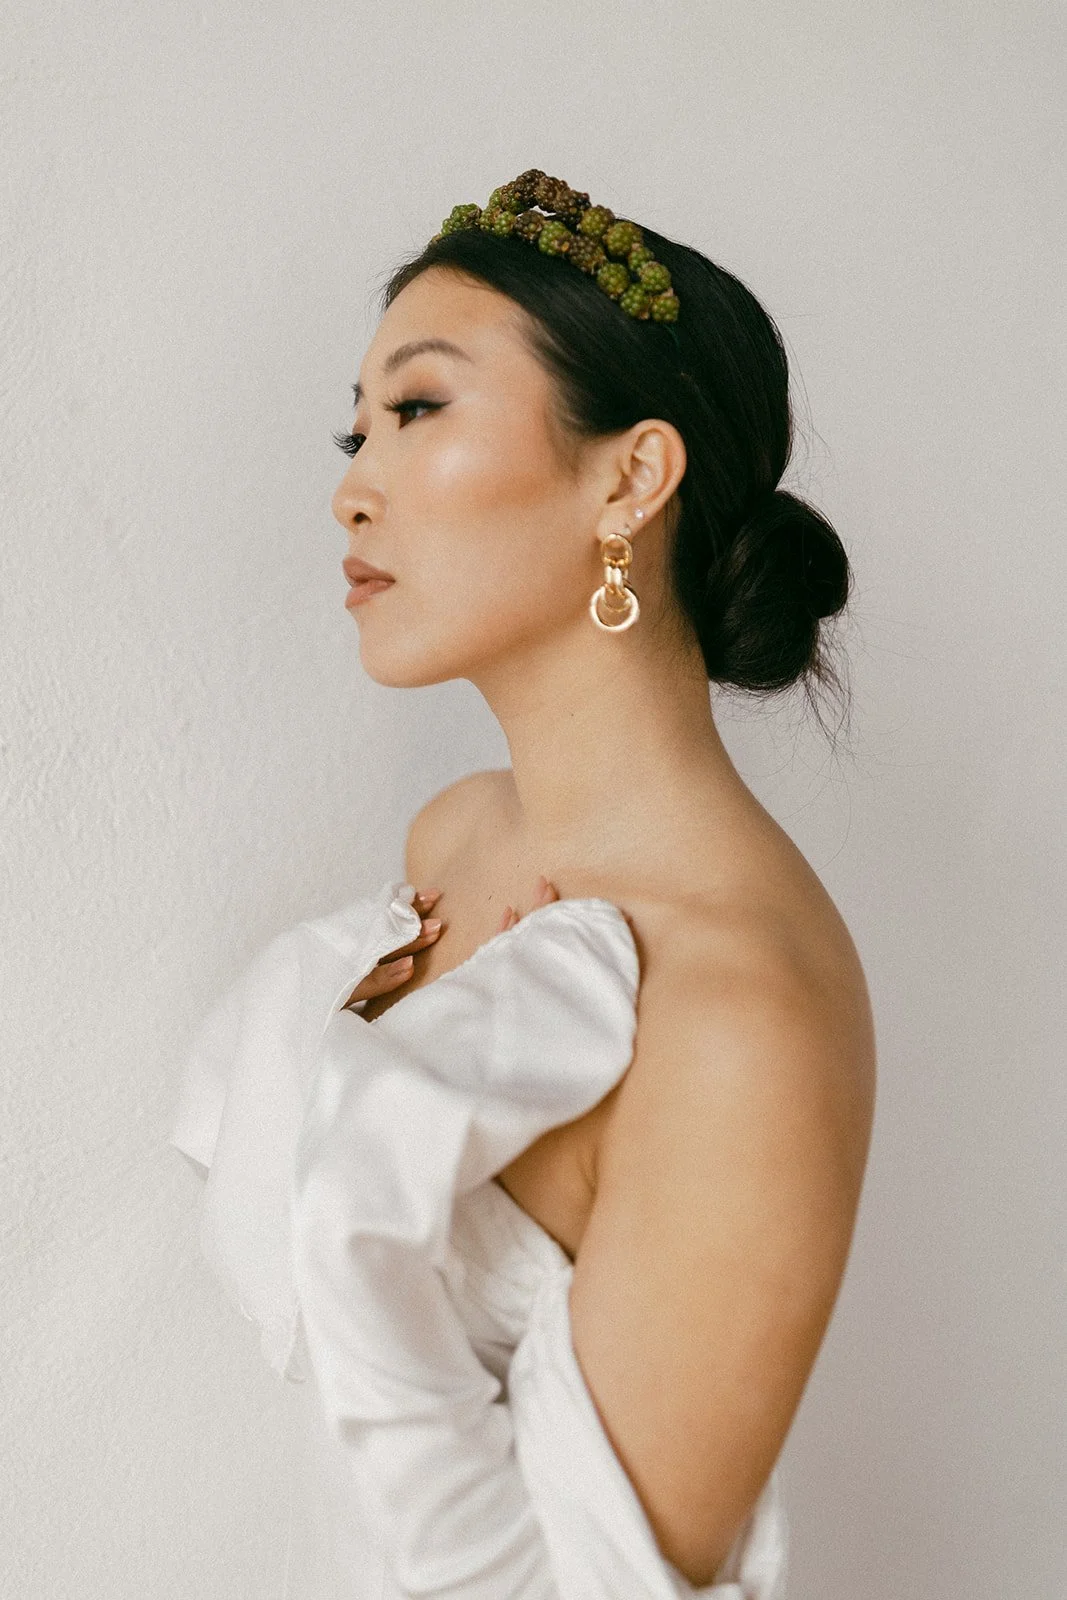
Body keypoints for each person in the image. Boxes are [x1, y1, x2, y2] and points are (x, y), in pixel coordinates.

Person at [171, 170, 876, 1598]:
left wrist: (364, 1207)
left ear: (627, 478)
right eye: (355, 426)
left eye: (417, 410)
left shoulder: (737, 1012)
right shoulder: (455, 841)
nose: (350, 484)